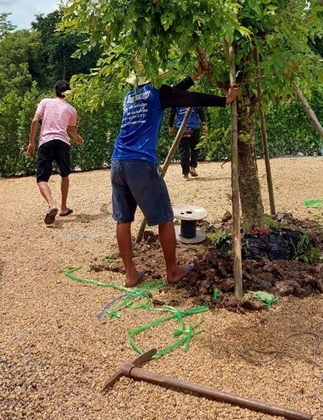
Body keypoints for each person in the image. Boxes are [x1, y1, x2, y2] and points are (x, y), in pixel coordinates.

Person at [111, 64, 238, 286]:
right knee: (165, 218)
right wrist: (223, 100)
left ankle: (130, 273)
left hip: (117, 162)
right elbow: (185, 98)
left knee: (123, 219)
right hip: (141, 164)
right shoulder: (159, 93)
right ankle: (172, 271)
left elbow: (173, 95)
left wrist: (193, 76)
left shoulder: (129, 96)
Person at [27, 80, 84, 225]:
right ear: (68, 94)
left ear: (55, 92)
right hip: (63, 142)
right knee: (65, 175)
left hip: (46, 141)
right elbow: (71, 130)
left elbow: (35, 121)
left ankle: (52, 205)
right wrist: (78, 139)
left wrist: (31, 143)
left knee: (42, 179)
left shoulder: (45, 102)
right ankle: (64, 208)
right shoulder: (71, 109)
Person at [168, 106, 208, 180]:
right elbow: (201, 112)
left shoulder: (176, 99)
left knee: (184, 151)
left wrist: (170, 126)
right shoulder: (194, 97)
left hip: (182, 128)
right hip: (194, 127)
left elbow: (172, 113)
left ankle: (185, 174)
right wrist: (204, 125)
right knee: (195, 148)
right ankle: (193, 167)